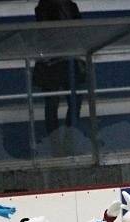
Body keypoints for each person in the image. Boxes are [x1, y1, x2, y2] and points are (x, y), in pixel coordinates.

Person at [34, 0, 85, 136]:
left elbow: (80, 30)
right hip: (52, 61)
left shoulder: (70, 6)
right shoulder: (45, 6)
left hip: (67, 59)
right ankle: (57, 143)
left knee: (73, 100)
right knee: (53, 103)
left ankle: (68, 140)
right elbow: (47, 33)